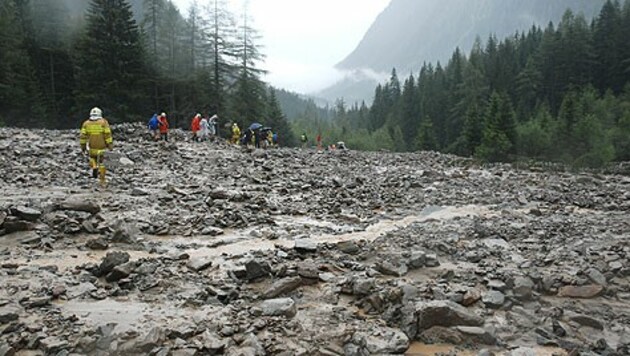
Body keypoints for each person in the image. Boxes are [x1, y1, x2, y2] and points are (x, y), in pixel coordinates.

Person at [80, 107, 113, 183]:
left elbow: (83, 137)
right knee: (102, 162)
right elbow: (107, 135)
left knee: (92, 158)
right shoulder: (104, 122)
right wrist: (110, 145)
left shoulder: (86, 123)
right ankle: (102, 178)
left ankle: (94, 167)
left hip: (92, 147)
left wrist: (83, 147)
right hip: (102, 147)